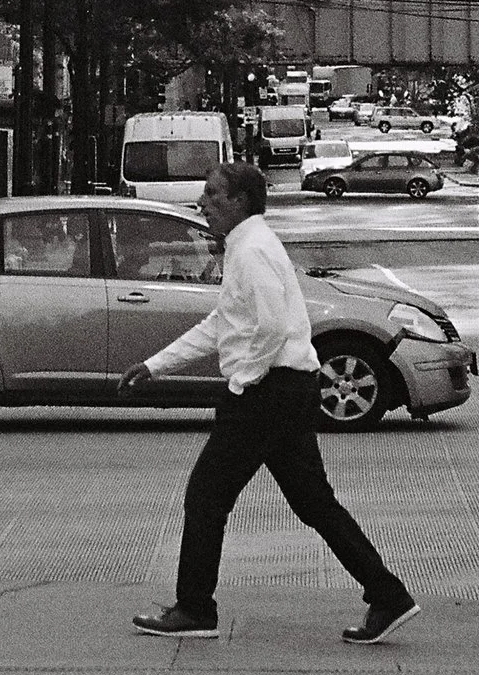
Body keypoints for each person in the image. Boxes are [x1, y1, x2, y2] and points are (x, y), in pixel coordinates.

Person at [124, 163, 416, 647]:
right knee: (314, 504)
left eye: (213, 194)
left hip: (268, 393)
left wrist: (244, 380)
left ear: (240, 201)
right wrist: (157, 365)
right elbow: (224, 323)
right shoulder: (248, 245)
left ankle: (195, 608)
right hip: (288, 390)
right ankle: (388, 595)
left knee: (206, 497)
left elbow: (273, 327)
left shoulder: (253, 249)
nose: (204, 204)